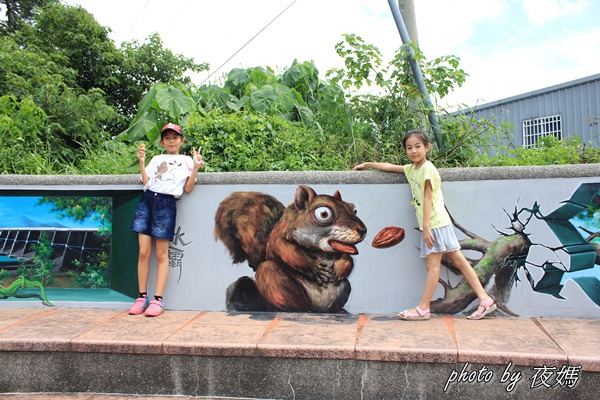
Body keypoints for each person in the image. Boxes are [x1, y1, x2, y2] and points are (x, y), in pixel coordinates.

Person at [353, 130, 496, 320]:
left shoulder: (428, 168)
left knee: (432, 265)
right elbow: (389, 167)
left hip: (435, 224)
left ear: (427, 148)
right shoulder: (412, 169)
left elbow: (428, 196)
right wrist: (367, 165)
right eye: (409, 148)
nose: (413, 151)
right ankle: (485, 300)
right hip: (437, 223)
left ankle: (423, 308)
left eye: (418, 146)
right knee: (459, 260)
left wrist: (426, 227)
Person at [128, 122, 205, 317]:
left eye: (175, 138)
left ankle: (158, 300)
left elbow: (187, 188)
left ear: (182, 140)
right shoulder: (156, 158)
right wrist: (142, 163)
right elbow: (147, 183)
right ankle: (141, 297)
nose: (172, 141)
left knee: (162, 254)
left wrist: (196, 167)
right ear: (162, 142)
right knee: (144, 252)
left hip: (166, 205)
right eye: (167, 138)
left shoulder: (187, 161)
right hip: (147, 201)